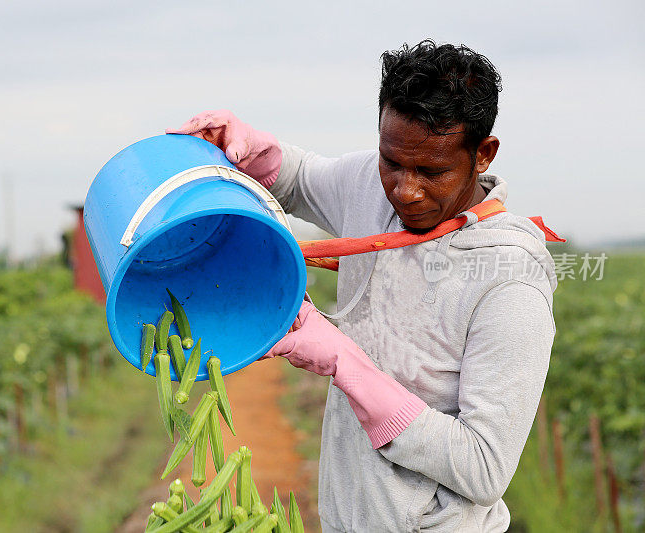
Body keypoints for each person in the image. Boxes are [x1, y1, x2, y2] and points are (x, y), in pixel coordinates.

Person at [167, 40, 557, 532]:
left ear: (483, 154)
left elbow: (483, 469)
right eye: (391, 162)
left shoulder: (509, 280)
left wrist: (345, 363)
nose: (405, 190)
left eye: (431, 172)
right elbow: (303, 178)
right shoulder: (372, 187)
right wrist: (254, 151)